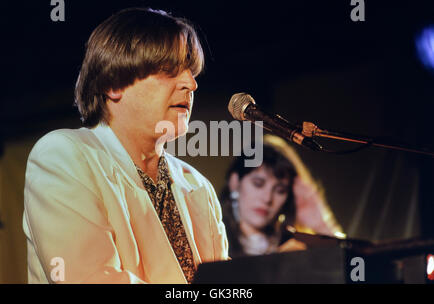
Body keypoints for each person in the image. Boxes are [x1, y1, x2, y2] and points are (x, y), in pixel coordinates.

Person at [22, 8, 228, 284]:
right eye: (170, 70)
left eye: (191, 72)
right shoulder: (63, 155)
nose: (190, 84)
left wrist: (278, 269)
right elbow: (91, 279)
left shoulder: (198, 185)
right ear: (113, 83)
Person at [220, 134, 344, 258]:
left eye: (280, 190)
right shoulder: (211, 234)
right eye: (258, 184)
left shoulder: (295, 247)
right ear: (235, 182)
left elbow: (353, 268)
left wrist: (320, 224)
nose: (267, 198)